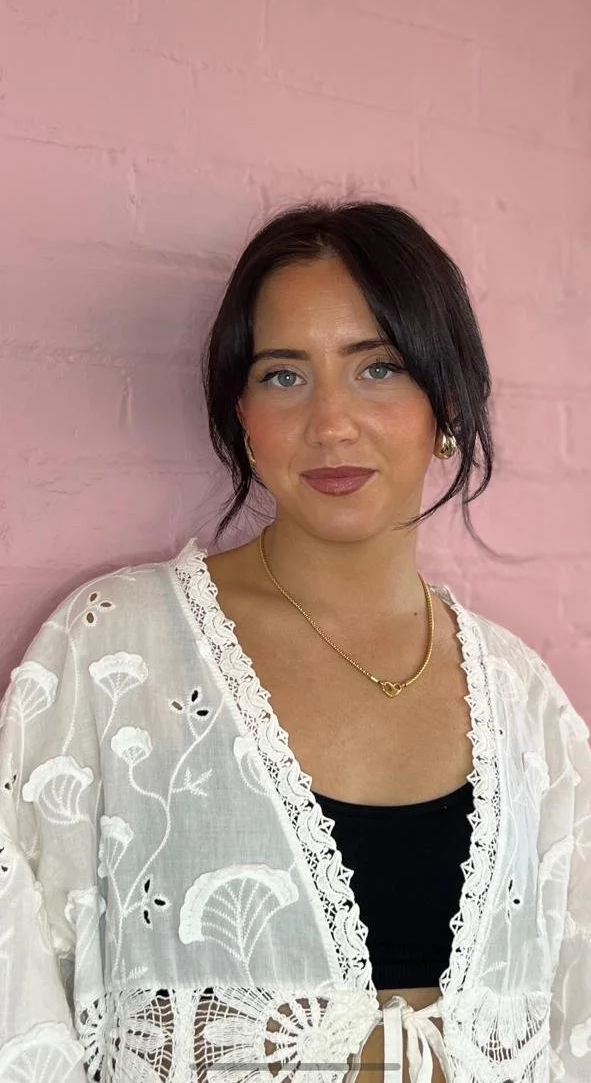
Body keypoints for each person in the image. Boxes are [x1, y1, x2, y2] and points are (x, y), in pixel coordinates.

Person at [0, 200, 589, 1083]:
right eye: (283, 375)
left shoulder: (525, 701)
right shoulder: (115, 653)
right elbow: (18, 994)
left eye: (378, 367)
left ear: (448, 401)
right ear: (242, 412)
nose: (331, 423)